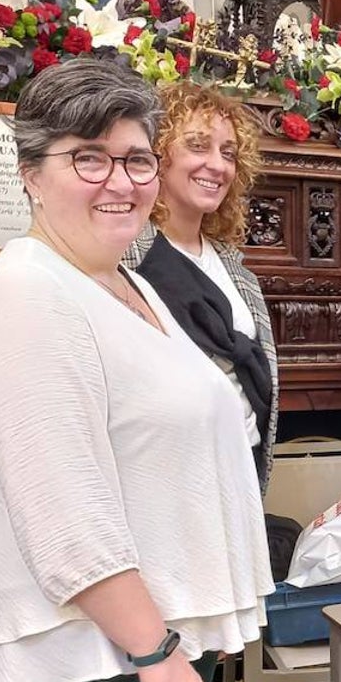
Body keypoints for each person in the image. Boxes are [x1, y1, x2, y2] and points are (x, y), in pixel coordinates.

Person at [0, 59, 273, 682]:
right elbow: (63, 511)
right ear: (32, 173)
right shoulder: (25, 294)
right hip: (96, 652)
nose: (121, 181)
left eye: (135, 159)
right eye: (89, 158)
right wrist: (153, 648)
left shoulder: (118, 279)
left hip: (140, 642)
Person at [123, 82, 279, 493]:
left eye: (228, 153)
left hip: (241, 461)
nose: (217, 165)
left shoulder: (233, 265)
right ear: (157, 154)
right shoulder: (126, 255)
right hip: (169, 474)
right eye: (198, 145)